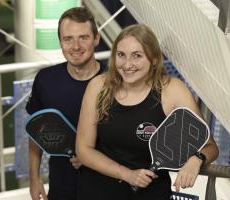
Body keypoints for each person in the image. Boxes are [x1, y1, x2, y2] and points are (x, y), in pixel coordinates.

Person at [76, 24, 219, 200]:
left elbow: (209, 146)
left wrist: (197, 159)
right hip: (98, 191)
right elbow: (83, 149)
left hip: (151, 193)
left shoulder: (172, 91)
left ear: (153, 60)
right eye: (121, 55)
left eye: (137, 56)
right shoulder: (99, 86)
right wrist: (126, 174)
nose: (127, 64)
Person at [26, 7, 106, 200]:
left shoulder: (114, 82)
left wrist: (91, 155)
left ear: (96, 39)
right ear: (60, 41)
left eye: (83, 37)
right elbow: (37, 131)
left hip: (106, 187)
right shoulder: (46, 80)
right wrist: (34, 178)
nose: (76, 46)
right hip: (61, 187)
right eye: (68, 39)